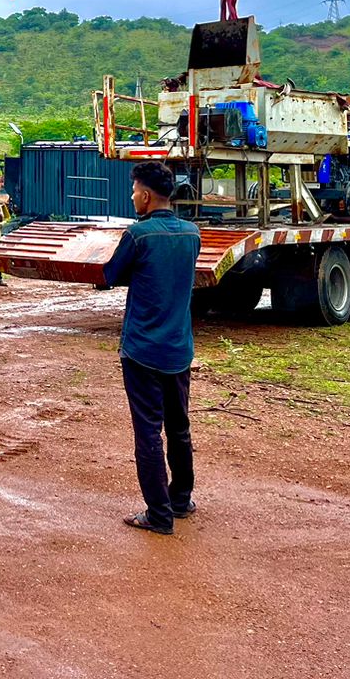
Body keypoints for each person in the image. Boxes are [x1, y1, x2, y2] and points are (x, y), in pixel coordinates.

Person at [104, 160, 202, 535]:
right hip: (178, 349)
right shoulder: (191, 234)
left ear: (145, 195)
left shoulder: (138, 235)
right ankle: (180, 500)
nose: (132, 197)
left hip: (142, 350)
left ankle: (158, 515)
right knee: (179, 428)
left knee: (148, 433)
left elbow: (111, 275)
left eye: (133, 191)